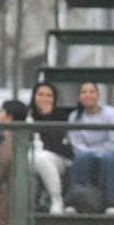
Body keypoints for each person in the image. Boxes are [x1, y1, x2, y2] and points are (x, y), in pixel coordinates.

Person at [66, 82, 114, 215]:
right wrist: (94, 152)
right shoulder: (74, 117)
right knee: (82, 157)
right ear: (79, 96)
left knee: (108, 157)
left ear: (98, 95)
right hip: (87, 161)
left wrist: (94, 151)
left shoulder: (111, 114)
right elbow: (78, 147)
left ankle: (110, 204)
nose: (88, 95)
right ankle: (73, 202)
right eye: (84, 92)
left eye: (92, 91)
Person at [29, 82, 73, 215]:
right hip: (29, 158)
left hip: (56, 159)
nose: (45, 99)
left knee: (42, 157)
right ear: (34, 97)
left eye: (49, 96)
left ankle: (56, 199)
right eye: (41, 95)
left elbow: (56, 145)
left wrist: (46, 117)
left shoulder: (61, 117)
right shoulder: (27, 116)